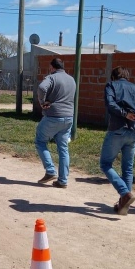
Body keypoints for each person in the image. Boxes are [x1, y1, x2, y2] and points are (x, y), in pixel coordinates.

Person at [100, 66, 135, 215]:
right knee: (128, 168)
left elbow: (110, 104)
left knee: (105, 164)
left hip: (118, 128)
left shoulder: (111, 85)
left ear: (113, 76)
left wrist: (124, 113)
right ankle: (123, 204)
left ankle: (124, 193)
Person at [35, 58, 76, 189]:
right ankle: (63, 180)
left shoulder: (51, 78)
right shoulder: (71, 79)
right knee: (63, 149)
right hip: (69, 117)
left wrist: (42, 102)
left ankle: (50, 170)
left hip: (53, 116)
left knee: (40, 141)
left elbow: (41, 87)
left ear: (52, 67)